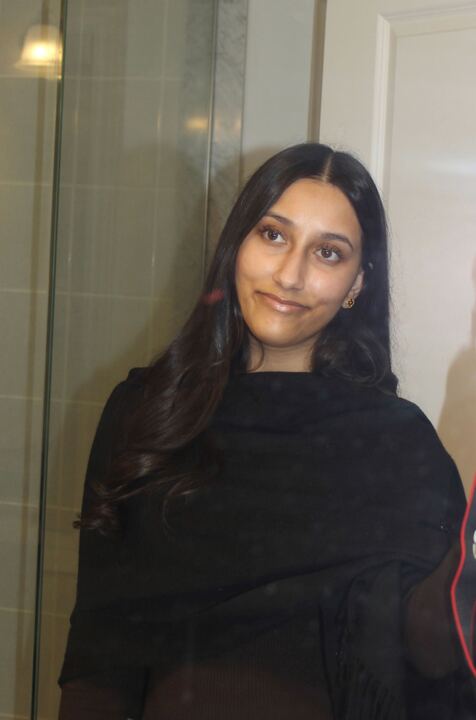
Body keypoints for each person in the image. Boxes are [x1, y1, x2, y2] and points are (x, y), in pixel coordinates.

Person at [58, 143, 474, 719]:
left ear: (357, 283)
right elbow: (99, 657)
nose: (289, 275)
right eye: (273, 235)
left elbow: (432, 651)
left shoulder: (396, 444)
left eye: (328, 253)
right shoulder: (149, 413)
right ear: (238, 245)